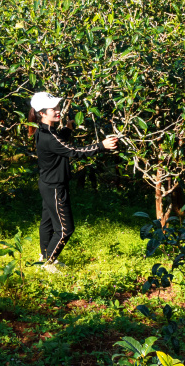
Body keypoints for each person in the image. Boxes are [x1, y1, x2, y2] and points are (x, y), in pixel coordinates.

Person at [27, 91, 119, 273]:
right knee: (65, 229)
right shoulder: (49, 137)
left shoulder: (43, 131)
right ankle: (48, 263)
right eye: (53, 109)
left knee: (47, 223)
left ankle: (45, 257)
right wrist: (102, 146)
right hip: (54, 187)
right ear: (42, 113)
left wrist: (67, 129)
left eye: (58, 107)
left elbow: (59, 145)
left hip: (47, 183)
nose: (58, 110)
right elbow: (74, 151)